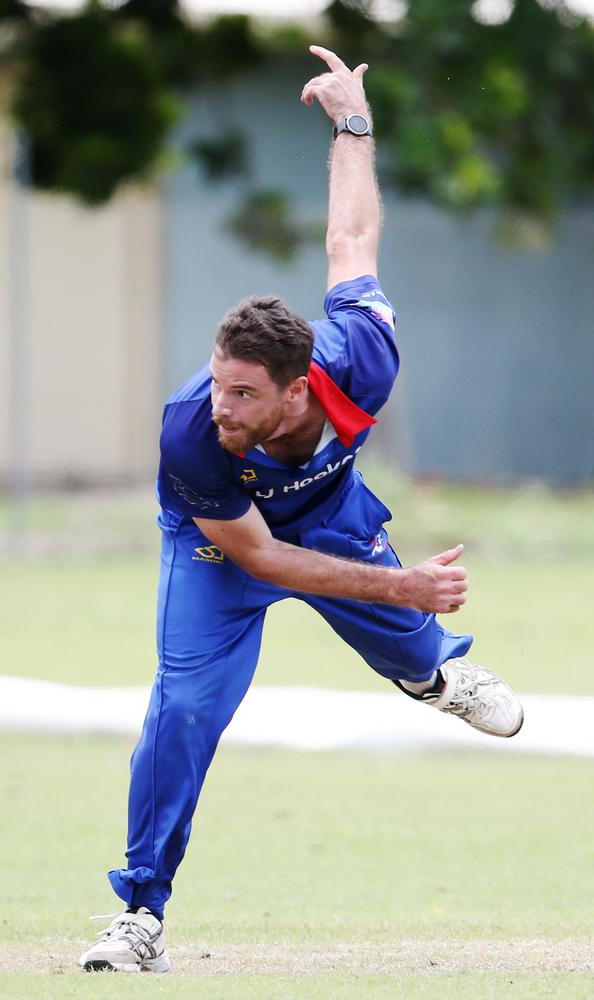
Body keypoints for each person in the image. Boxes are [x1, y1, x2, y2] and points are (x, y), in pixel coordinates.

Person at [79, 44, 523, 974]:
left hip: (331, 518)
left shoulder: (361, 356)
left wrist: (353, 124)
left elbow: (351, 242)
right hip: (222, 552)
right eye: (216, 383)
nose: (220, 406)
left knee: (412, 649)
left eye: (243, 394)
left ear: (296, 390)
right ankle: (139, 916)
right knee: (184, 712)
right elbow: (264, 563)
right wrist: (401, 581)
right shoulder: (192, 437)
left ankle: (433, 677)